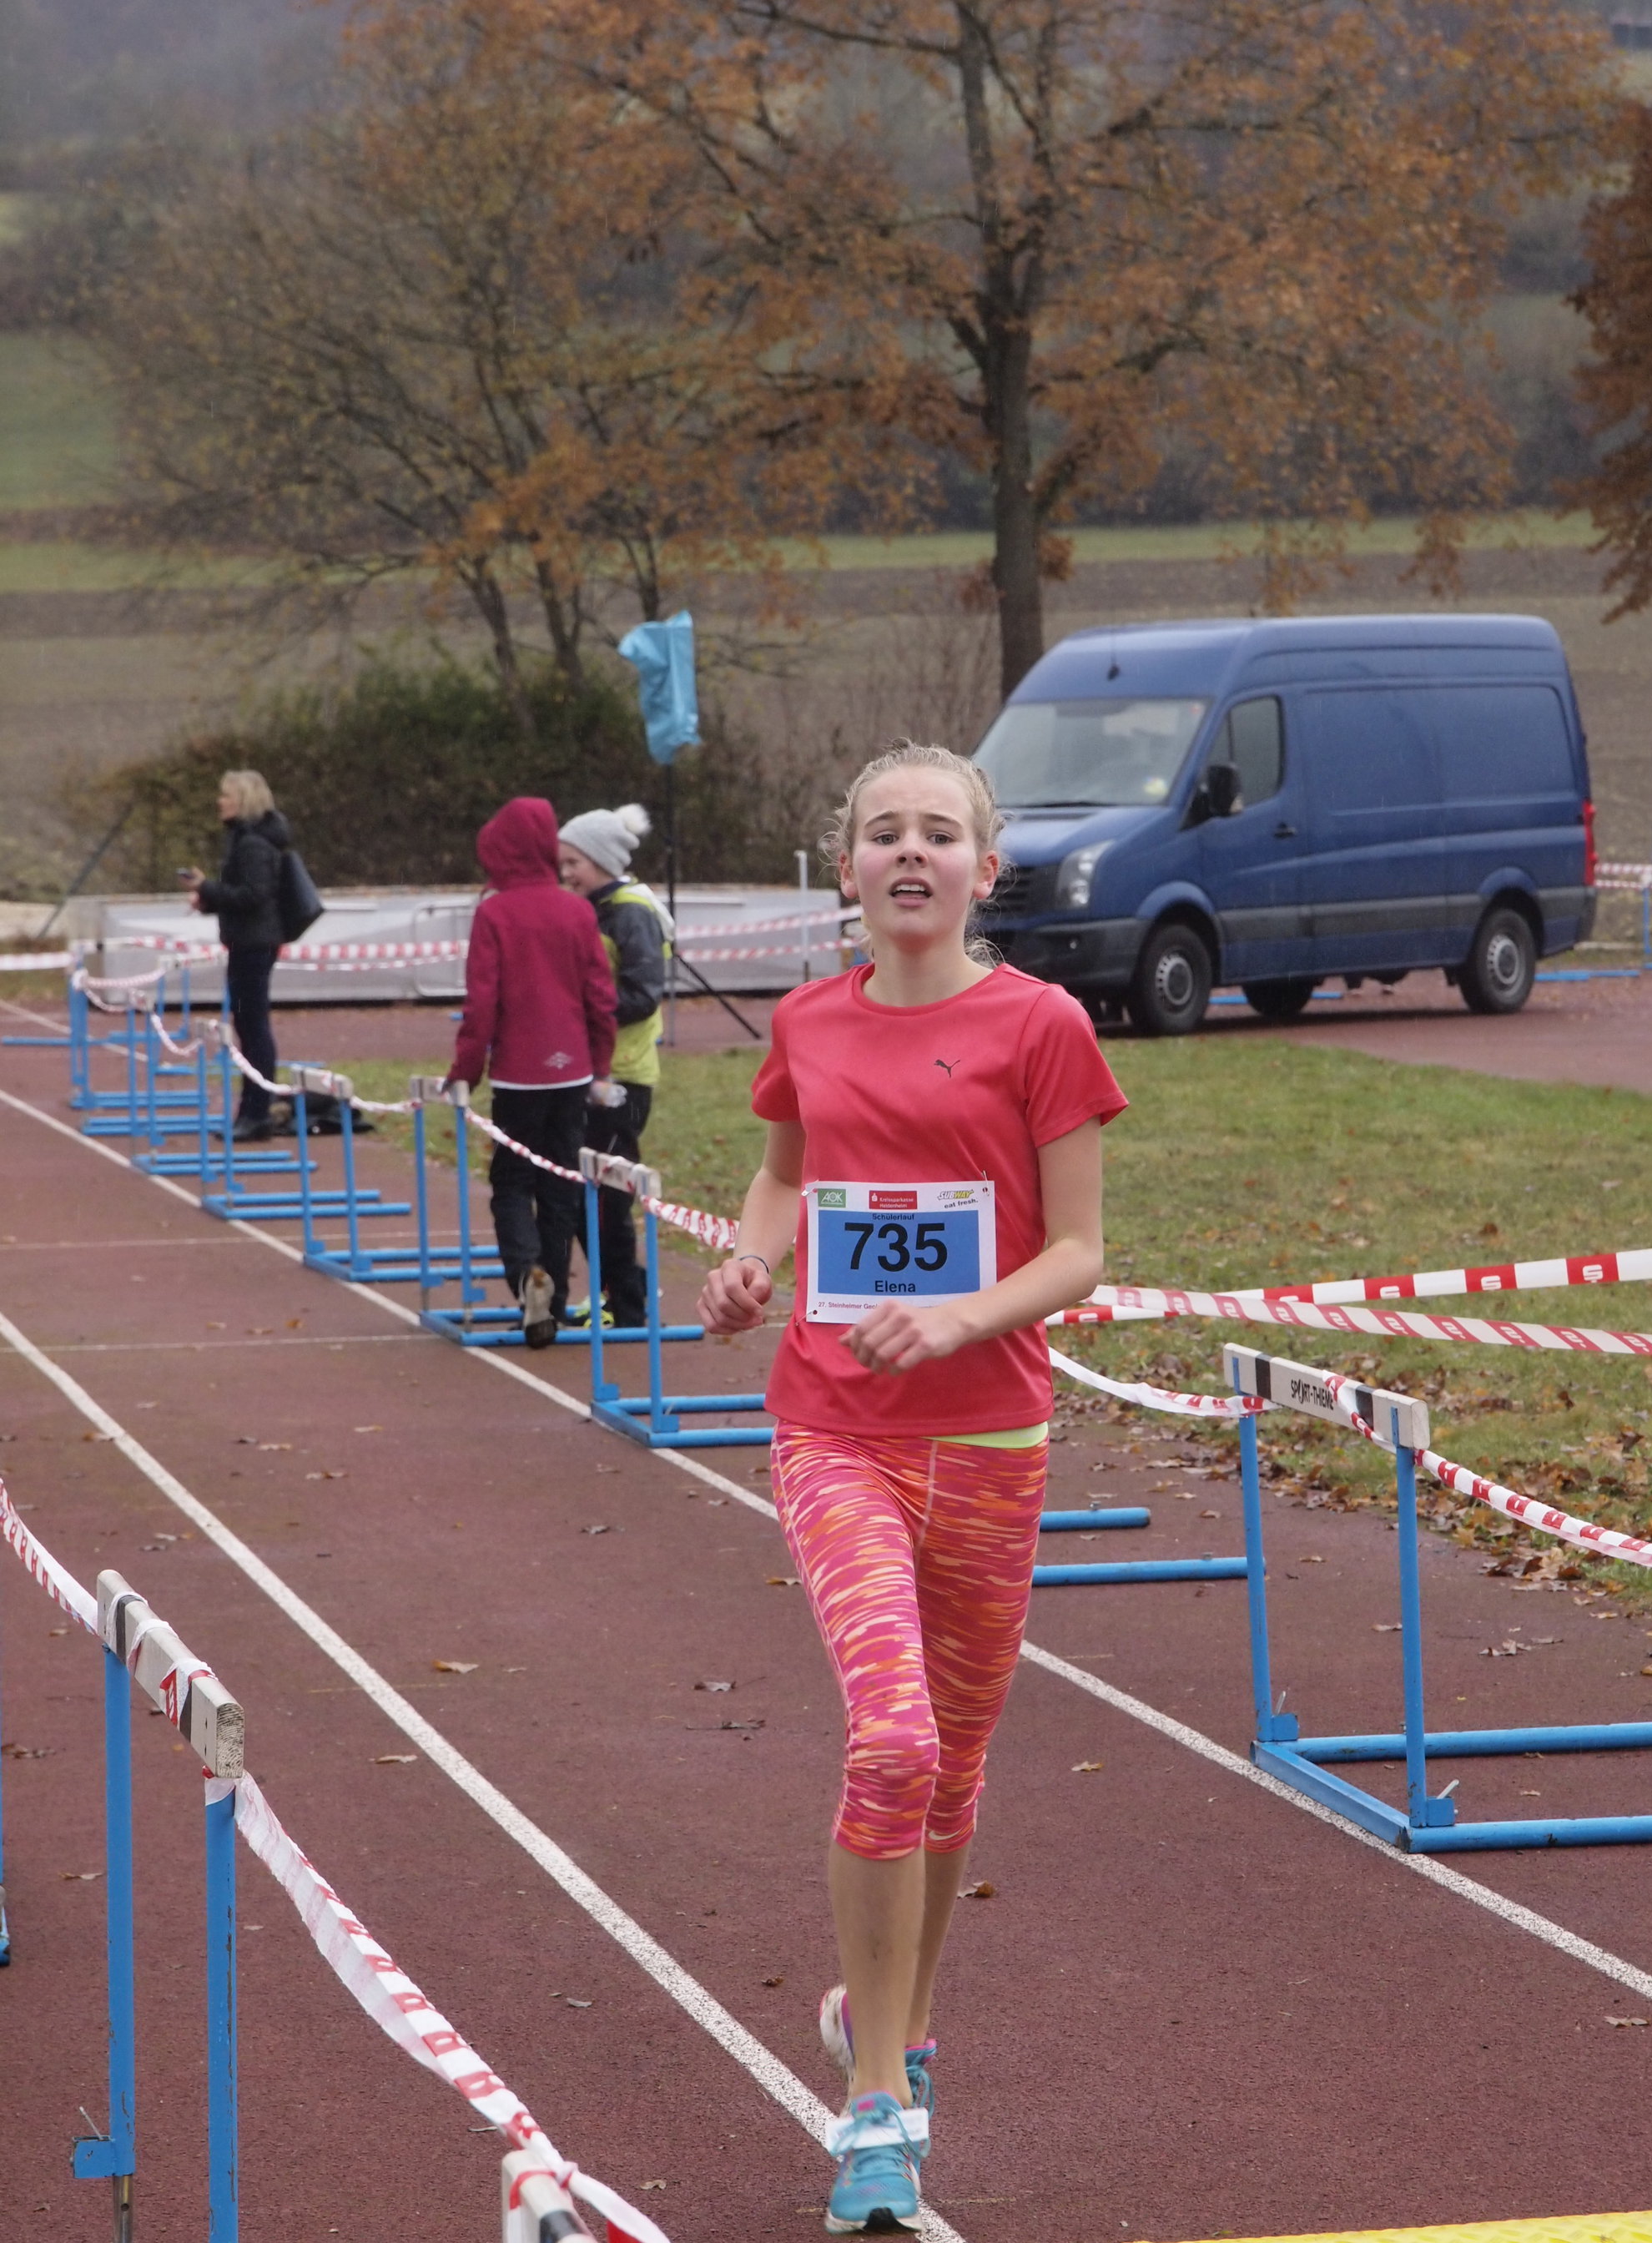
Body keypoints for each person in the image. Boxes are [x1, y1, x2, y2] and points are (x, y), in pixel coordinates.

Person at [697, 739, 1125, 2235]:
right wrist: (749, 1261)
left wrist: (958, 1316)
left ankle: (898, 2021)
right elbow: (785, 1174)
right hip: (837, 1431)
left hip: (992, 1442)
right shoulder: (809, 1020)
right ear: (847, 868)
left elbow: (1079, 1251)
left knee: (952, 1771)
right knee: (891, 1738)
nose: (910, 852)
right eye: (884, 831)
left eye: (940, 832)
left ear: (983, 870)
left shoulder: (1043, 1024)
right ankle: (877, 2101)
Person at [446, 798, 618, 1349]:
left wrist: (465, 1071)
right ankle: (556, 1299)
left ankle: (528, 1278)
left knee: (512, 1183)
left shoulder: (495, 913)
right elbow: (600, 997)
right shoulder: (578, 911)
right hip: (572, 1071)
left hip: (518, 1074)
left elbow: (482, 1004)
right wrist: (599, 1065)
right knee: (561, 1181)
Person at [557, 801, 672, 1328]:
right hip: (590, 1070)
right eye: (561, 862)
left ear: (602, 860)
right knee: (582, 1188)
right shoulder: (592, 909)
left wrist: (578, 1010)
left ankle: (627, 1306)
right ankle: (619, 1290)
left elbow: (643, 995)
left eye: (573, 862)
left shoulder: (631, 913)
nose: (565, 873)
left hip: (624, 1075)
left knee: (605, 1192)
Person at [181, 769, 290, 1142]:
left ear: (242, 800)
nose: (220, 801)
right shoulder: (244, 840)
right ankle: (251, 1110)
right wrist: (208, 898)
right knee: (247, 1025)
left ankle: (257, 1113)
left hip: (253, 946)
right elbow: (240, 895)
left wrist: (207, 887)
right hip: (246, 942)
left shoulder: (253, 845)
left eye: (226, 795)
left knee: (253, 1027)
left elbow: (254, 895)